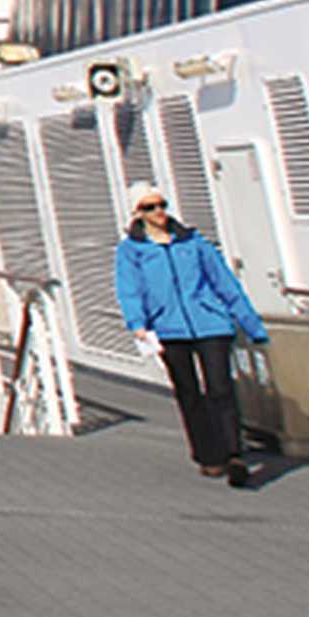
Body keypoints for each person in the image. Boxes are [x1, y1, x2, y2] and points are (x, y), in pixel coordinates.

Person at [114, 182, 269, 488]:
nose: (158, 212)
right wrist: (138, 323)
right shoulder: (131, 251)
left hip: (209, 323)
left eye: (161, 204)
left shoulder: (193, 243)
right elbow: (129, 289)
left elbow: (225, 284)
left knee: (220, 388)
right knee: (188, 392)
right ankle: (208, 456)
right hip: (168, 328)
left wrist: (252, 326)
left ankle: (233, 455)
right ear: (137, 213)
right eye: (149, 207)